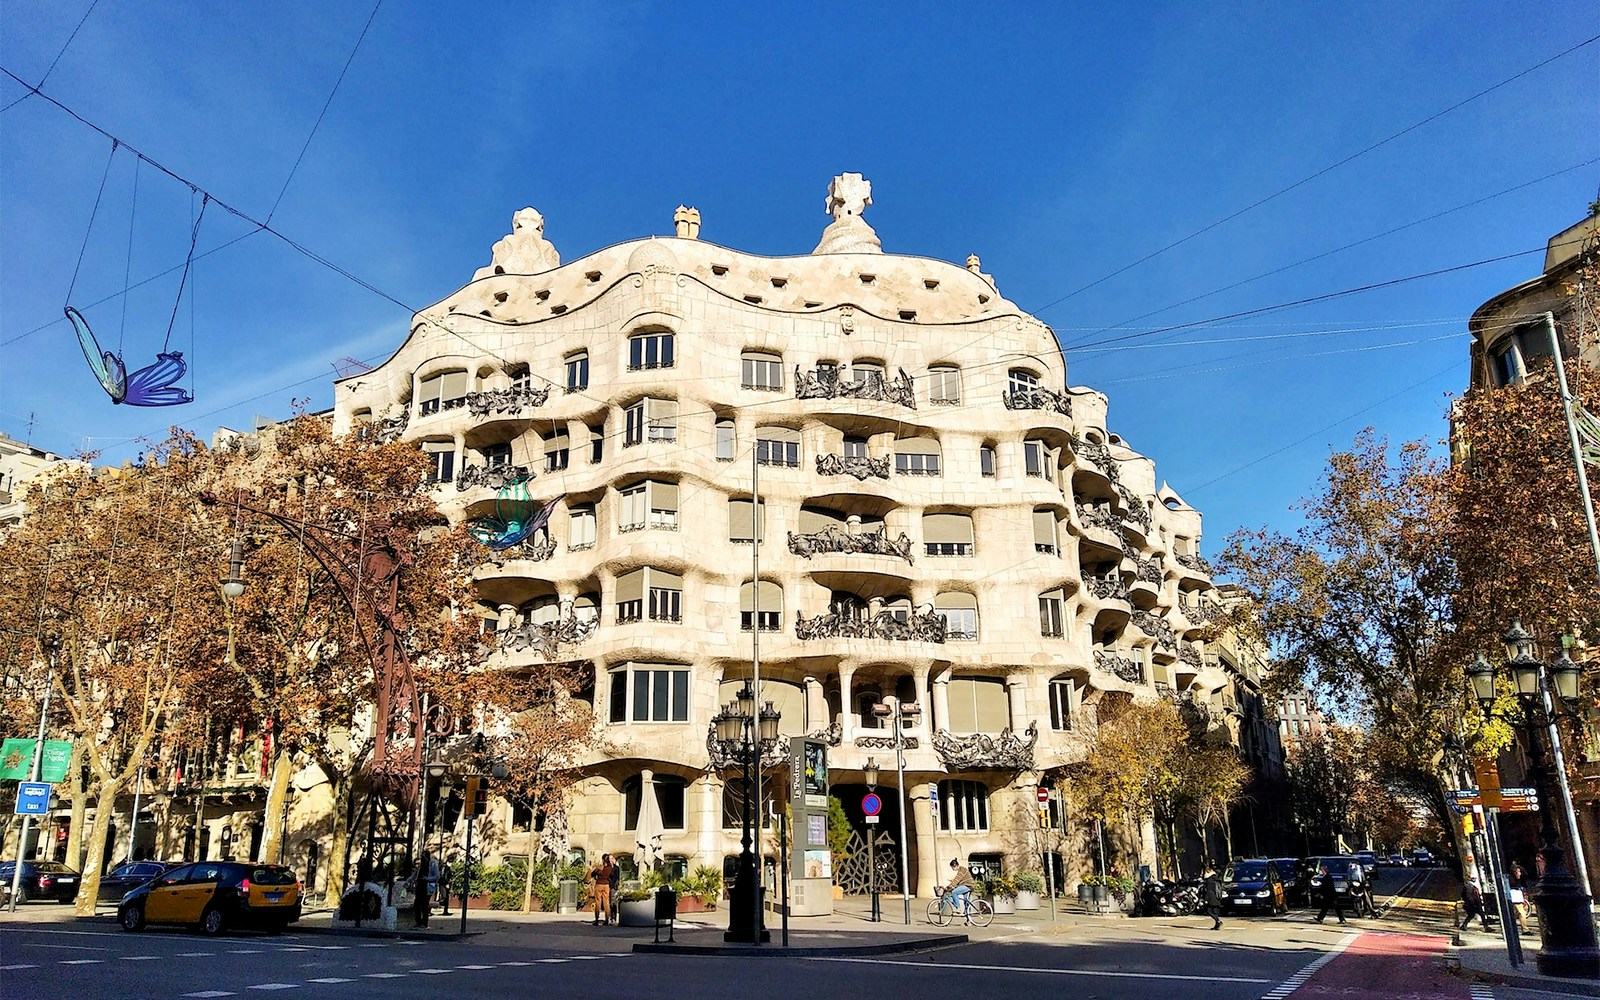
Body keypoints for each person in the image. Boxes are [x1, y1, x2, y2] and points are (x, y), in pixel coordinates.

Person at [411, 850, 435, 929]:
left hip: (426, 887)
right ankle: (418, 922)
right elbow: (415, 875)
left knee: (425, 906)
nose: (422, 858)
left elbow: (436, 876)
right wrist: (409, 881)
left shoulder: (432, 865)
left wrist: (427, 878)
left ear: (427, 856)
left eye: (423, 856)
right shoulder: (421, 866)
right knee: (416, 905)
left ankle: (425, 923)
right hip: (419, 887)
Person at [590, 853, 616, 926]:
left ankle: (597, 919)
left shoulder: (600, 867)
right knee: (606, 902)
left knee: (598, 902)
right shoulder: (610, 868)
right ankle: (607, 919)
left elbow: (593, 874)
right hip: (606, 885)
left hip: (599, 884)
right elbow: (612, 875)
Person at [1508, 862, 1531, 933]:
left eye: (1520, 871)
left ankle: (1513, 927)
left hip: (1519, 896)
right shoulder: (1511, 880)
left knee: (1518, 913)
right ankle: (1525, 929)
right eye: (1517, 872)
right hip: (1515, 896)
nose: (1519, 874)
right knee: (1522, 913)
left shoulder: (1520, 880)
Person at [1201, 864, 1224, 930]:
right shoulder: (1216, 878)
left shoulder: (1209, 880)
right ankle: (1217, 925)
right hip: (1217, 897)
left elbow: (1209, 890)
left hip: (1212, 898)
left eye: (1206, 872)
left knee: (1209, 911)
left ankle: (1218, 921)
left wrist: (1206, 899)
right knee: (1215, 911)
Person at [608, 858, 621, 924]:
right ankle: (610, 918)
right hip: (608, 886)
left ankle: (614, 918)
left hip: (613, 886)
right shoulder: (607, 867)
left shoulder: (616, 868)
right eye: (609, 859)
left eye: (612, 859)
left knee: (613, 902)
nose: (611, 860)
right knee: (609, 902)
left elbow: (617, 877)